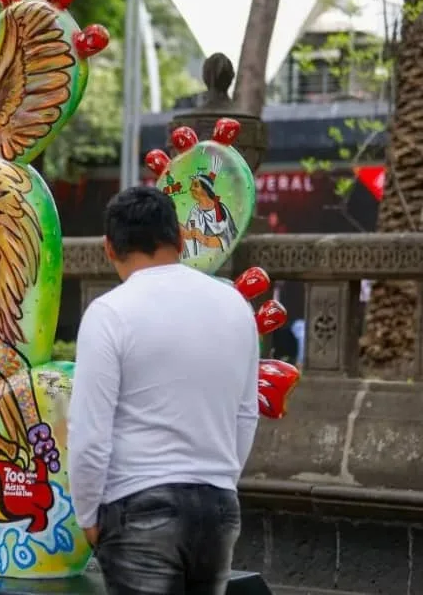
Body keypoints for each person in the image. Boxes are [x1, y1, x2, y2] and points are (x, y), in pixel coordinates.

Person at [68, 186, 259, 595]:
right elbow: (246, 414)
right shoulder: (235, 306)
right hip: (219, 507)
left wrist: (87, 515)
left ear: (109, 248)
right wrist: (219, 479)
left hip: (138, 504)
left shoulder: (110, 313)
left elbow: (89, 433)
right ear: (181, 238)